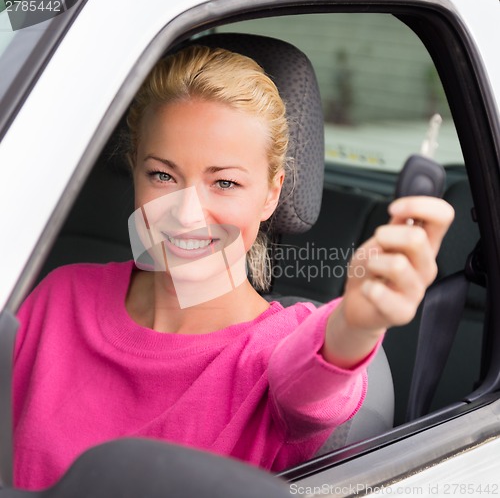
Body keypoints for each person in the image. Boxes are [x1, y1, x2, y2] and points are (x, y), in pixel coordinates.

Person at [13, 45, 454, 490]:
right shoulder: (59, 295)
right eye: (162, 176)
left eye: (224, 183)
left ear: (270, 194)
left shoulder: (276, 348)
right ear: (134, 171)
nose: (186, 215)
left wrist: (356, 322)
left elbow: (317, 381)